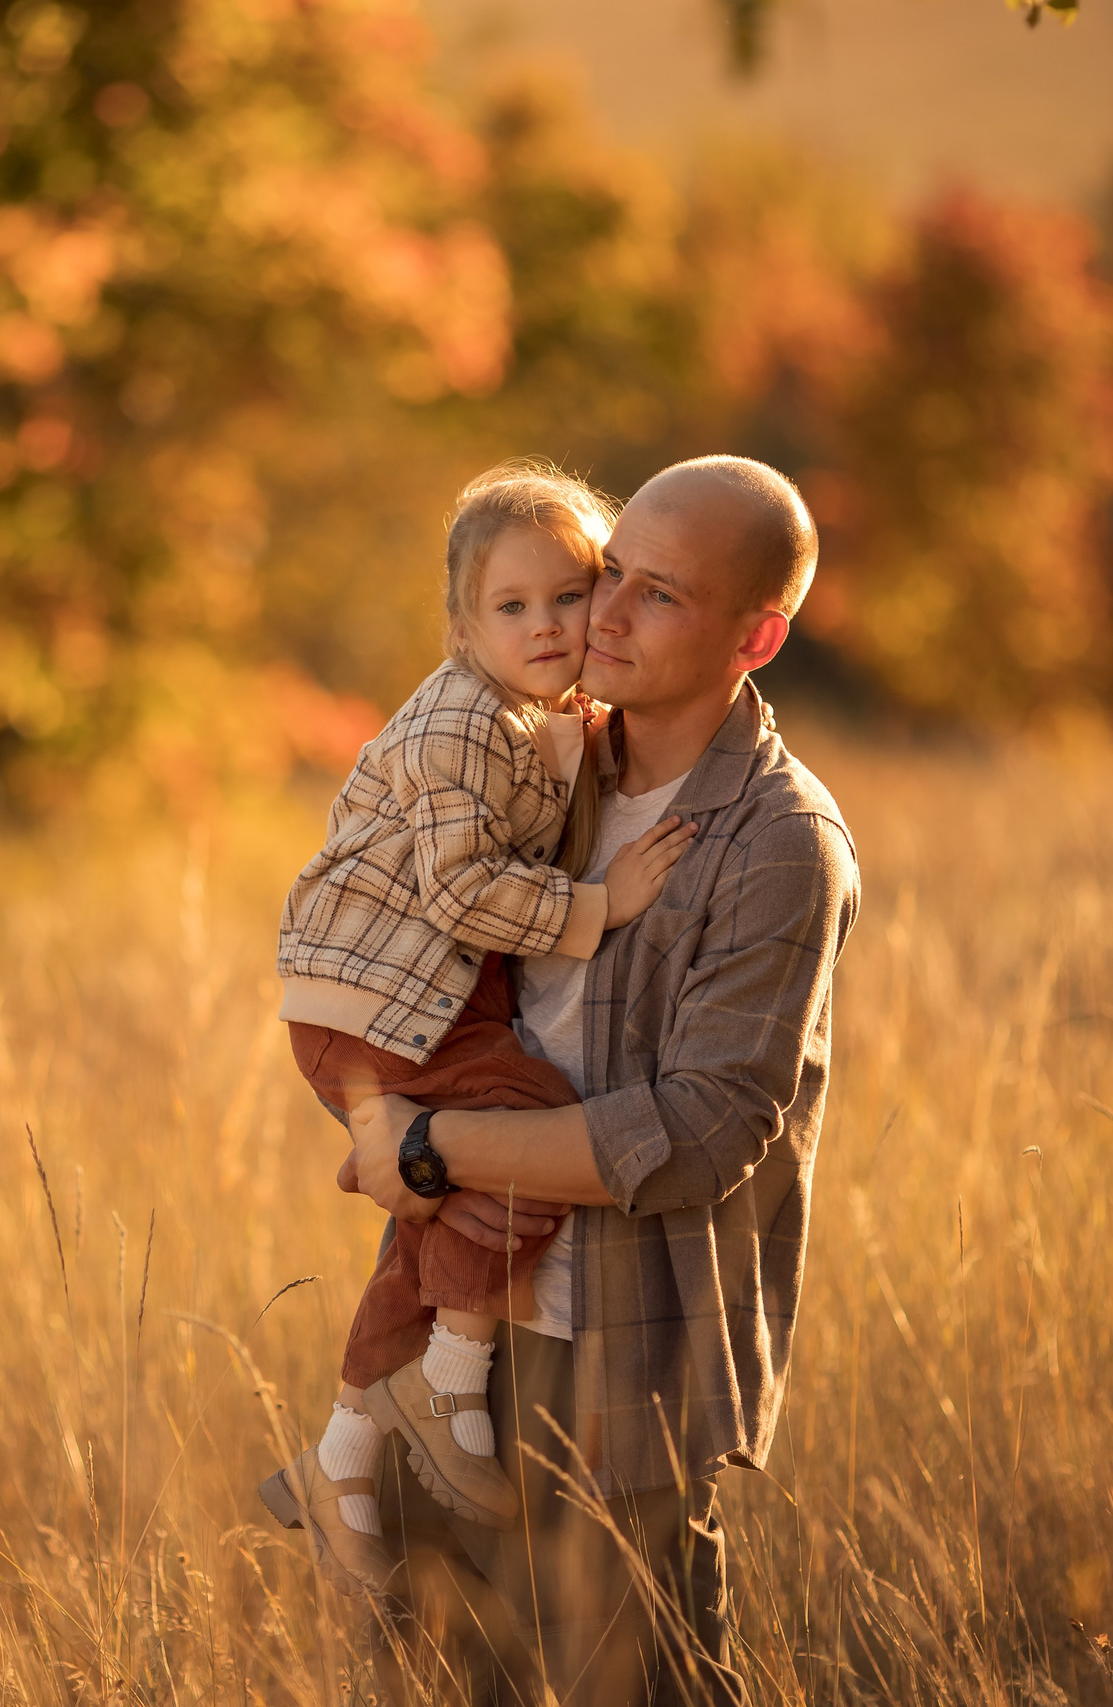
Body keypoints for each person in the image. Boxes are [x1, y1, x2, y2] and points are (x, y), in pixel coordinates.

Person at [325, 455, 859, 1705]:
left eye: (659, 595)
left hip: (623, 1361)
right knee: (431, 1680)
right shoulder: (538, 764)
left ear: (757, 635)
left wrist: (429, 1146)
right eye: (609, 572)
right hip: (461, 1318)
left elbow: (696, 1133)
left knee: (638, 1688)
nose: (602, 615)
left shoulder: (779, 843)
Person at [259, 462, 702, 1596]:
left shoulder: (524, 715)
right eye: (513, 607)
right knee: (537, 1128)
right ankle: (452, 1382)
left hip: (393, 1002)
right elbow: (463, 891)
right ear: (463, 626)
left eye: (570, 595)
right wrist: (602, 907)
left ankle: (341, 1455)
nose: (548, 625)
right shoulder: (462, 719)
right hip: (381, 1006)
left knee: (442, 1201)